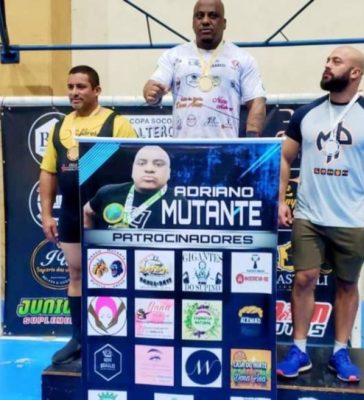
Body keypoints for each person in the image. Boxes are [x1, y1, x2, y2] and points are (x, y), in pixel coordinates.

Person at [277, 46, 364, 382]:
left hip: (353, 219)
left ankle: (339, 352)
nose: (327, 65)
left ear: (355, 72)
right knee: (304, 279)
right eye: (327, 60)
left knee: (347, 283)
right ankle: (299, 350)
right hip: (309, 216)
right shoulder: (306, 115)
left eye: (336, 61)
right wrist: (280, 200)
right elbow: (285, 158)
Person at [39, 65, 137, 365]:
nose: (74, 92)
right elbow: (48, 171)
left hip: (108, 215)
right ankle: (79, 339)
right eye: (70, 86)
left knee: (114, 276)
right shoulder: (60, 126)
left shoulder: (116, 123)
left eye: (81, 87)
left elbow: (135, 170)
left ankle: (115, 338)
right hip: (71, 212)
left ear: (97, 90)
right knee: (77, 274)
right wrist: (47, 214)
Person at [143, 0, 266, 138]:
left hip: (225, 148)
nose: (205, 21)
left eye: (213, 16)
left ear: (224, 23)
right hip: (184, 147)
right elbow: (152, 85)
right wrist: (151, 93)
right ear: (193, 22)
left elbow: (257, 102)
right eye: (199, 16)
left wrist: (251, 142)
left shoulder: (243, 58)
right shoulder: (173, 55)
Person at [83, 145, 173, 229]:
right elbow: (87, 211)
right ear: (133, 169)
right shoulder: (108, 193)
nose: (149, 169)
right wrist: (90, 238)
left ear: (169, 173)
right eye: (141, 163)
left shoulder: (178, 202)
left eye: (158, 164)